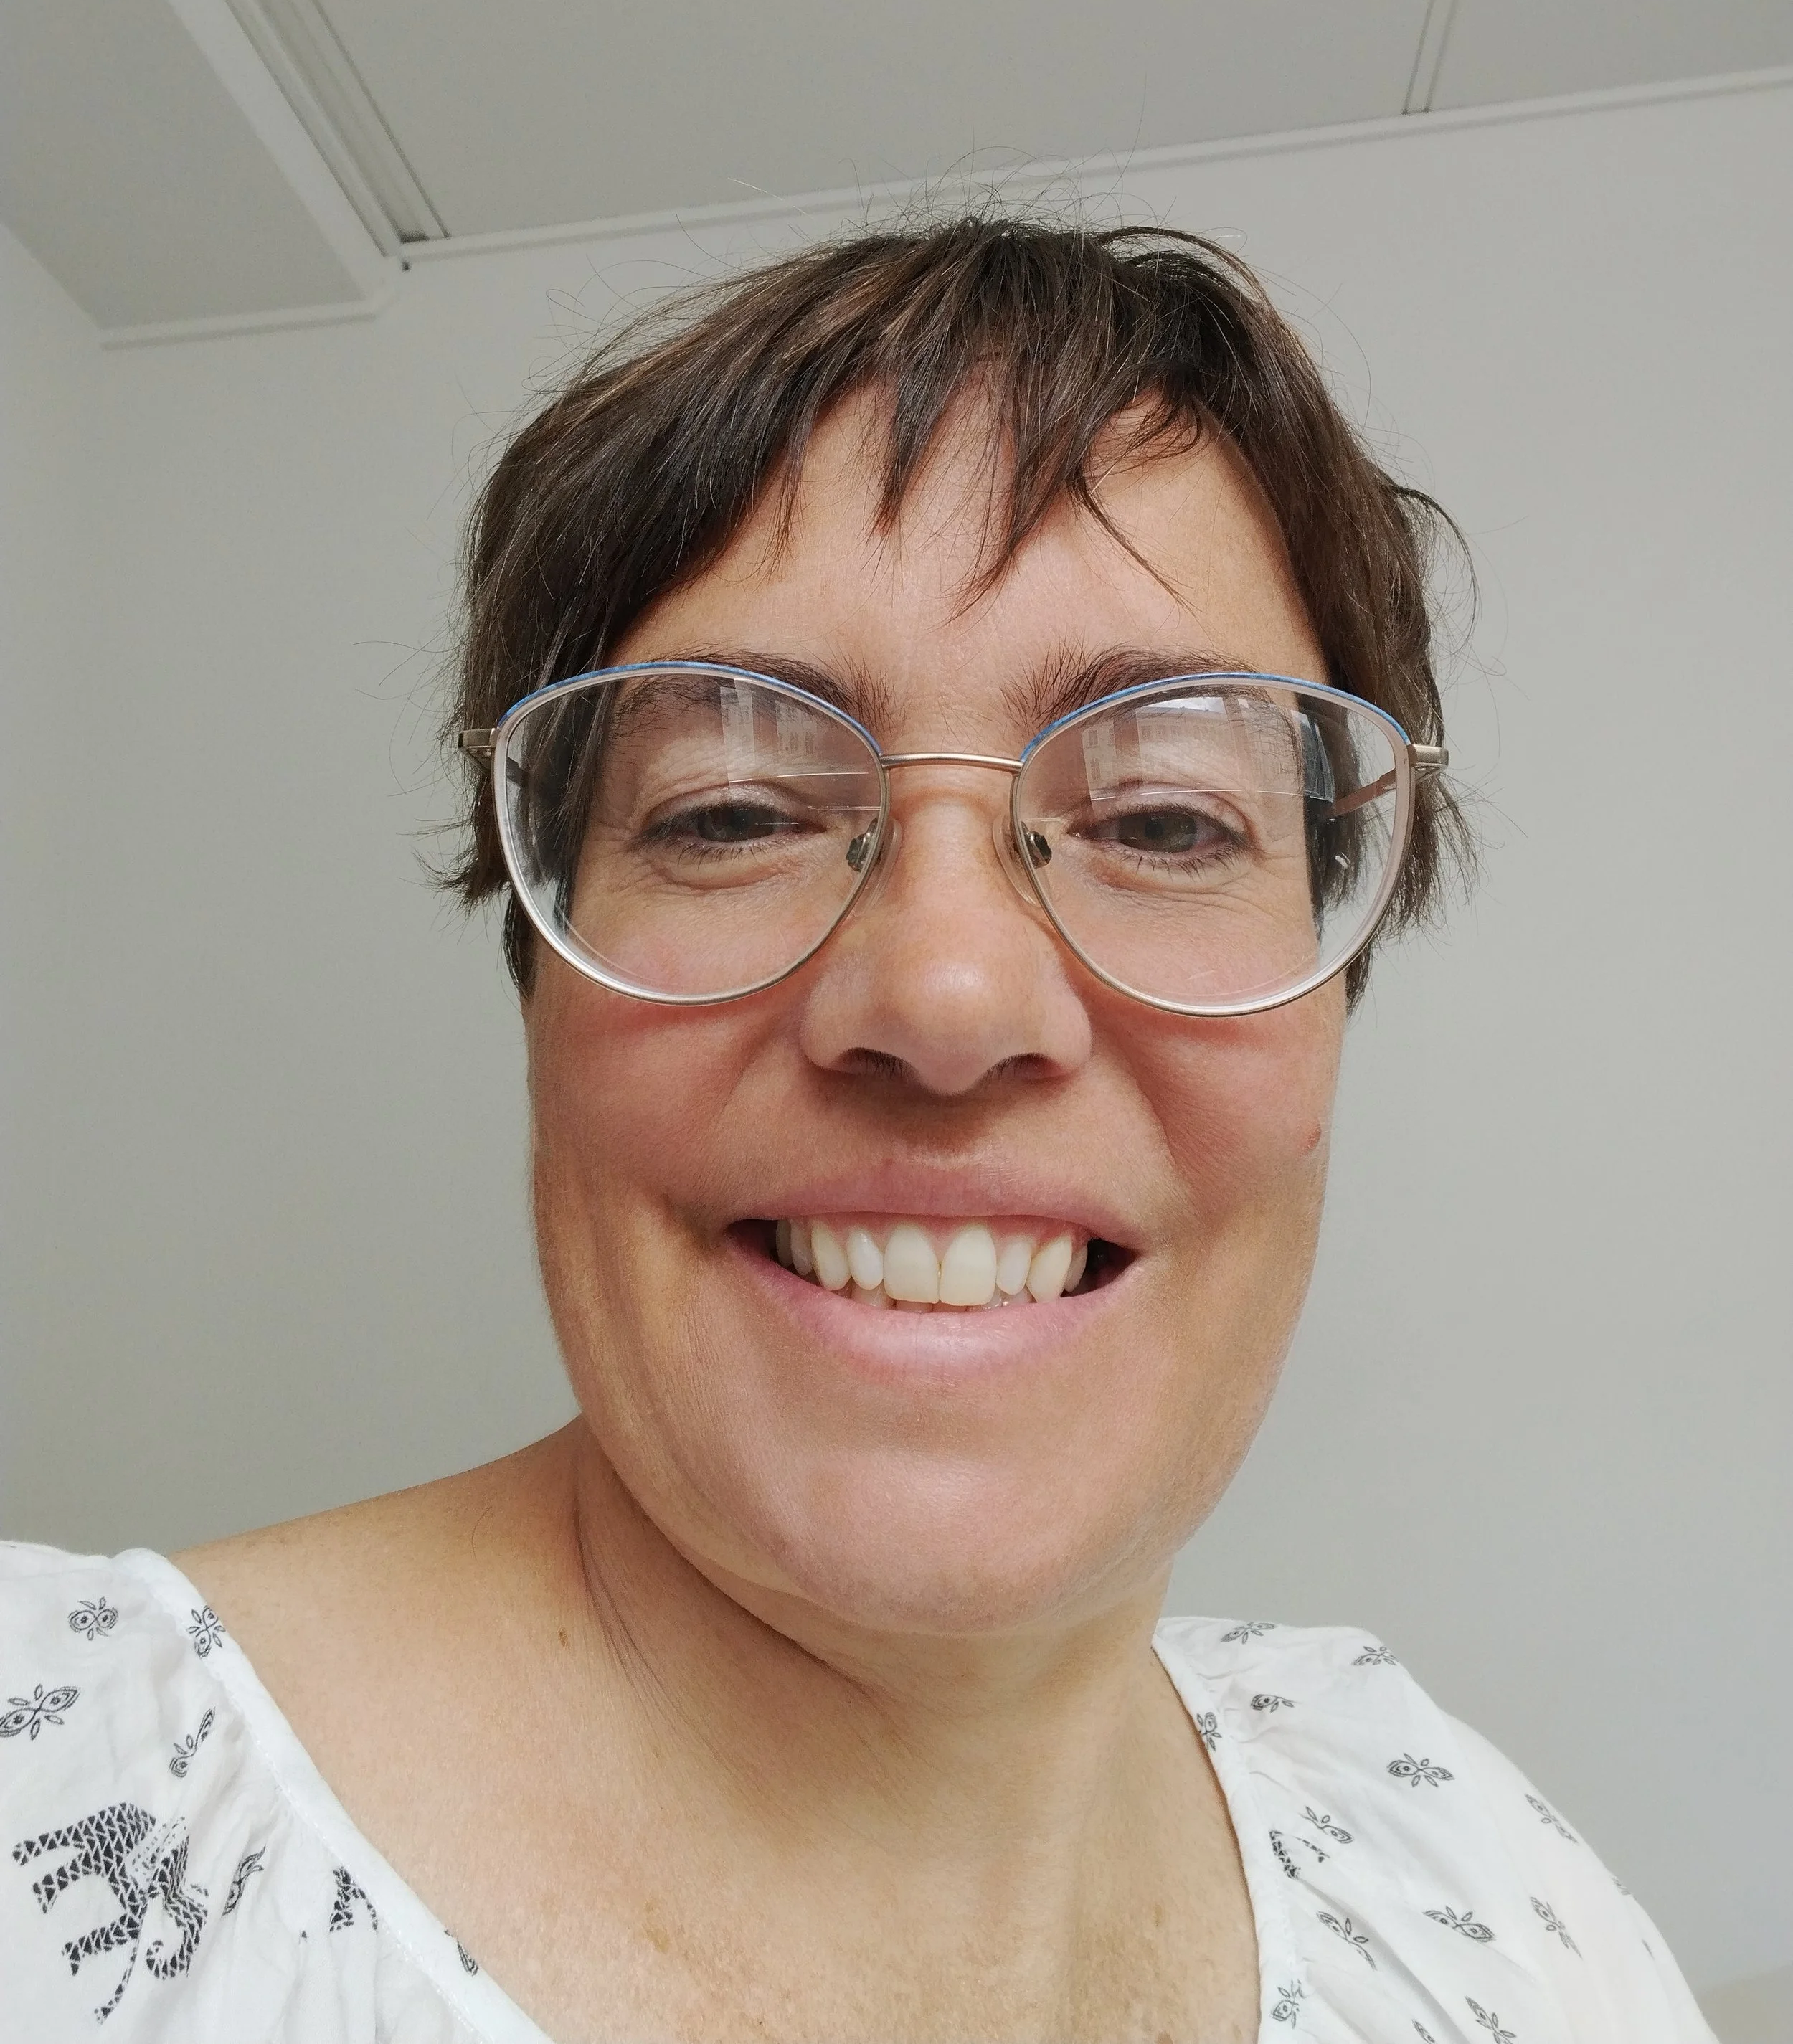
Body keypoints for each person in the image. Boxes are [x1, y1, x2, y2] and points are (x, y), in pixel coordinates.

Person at [1, 220, 1712, 2042]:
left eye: (1163, 823)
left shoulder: (1474, 1887)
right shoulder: (66, 1826)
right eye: (733, 811)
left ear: (1327, 993)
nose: (950, 999)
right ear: (543, 982)